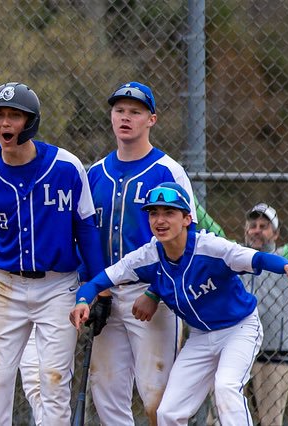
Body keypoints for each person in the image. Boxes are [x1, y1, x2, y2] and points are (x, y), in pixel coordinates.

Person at [71, 182, 288, 425]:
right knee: (168, 413)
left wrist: (287, 266)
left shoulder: (211, 248)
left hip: (238, 329)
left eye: (169, 212)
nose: (160, 220)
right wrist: (83, 300)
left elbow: (256, 258)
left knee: (226, 388)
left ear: (187, 219)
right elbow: (100, 280)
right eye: (153, 213)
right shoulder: (148, 256)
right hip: (200, 338)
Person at [0, 82, 103, 426]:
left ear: (31, 122)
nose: (5, 123)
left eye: (14, 116)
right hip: (6, 286)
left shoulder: (67, 167)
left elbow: (86, 229)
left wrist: (100, 288)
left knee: (53, 382)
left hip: (58, 286)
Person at [78, 81, 197, 423]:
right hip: (106, 295)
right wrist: (95, 290)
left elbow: (188, 240)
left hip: (152, 298)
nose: (125, 118)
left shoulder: (168, 170)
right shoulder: (95, 173)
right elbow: (84, 237)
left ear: (152, 120)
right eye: (119, 111)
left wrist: (154, 290)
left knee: (157, 399)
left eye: (135, 111)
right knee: (107, 395)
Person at [190, 192, 288, 424]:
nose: (256, 230)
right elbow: (207, 224)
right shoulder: (231, 254)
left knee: (270, 420)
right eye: (252, 225)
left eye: (264, 226)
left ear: (275, 233)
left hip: (273, 353)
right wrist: (187, 193)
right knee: (219, 417)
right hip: (232, 349)